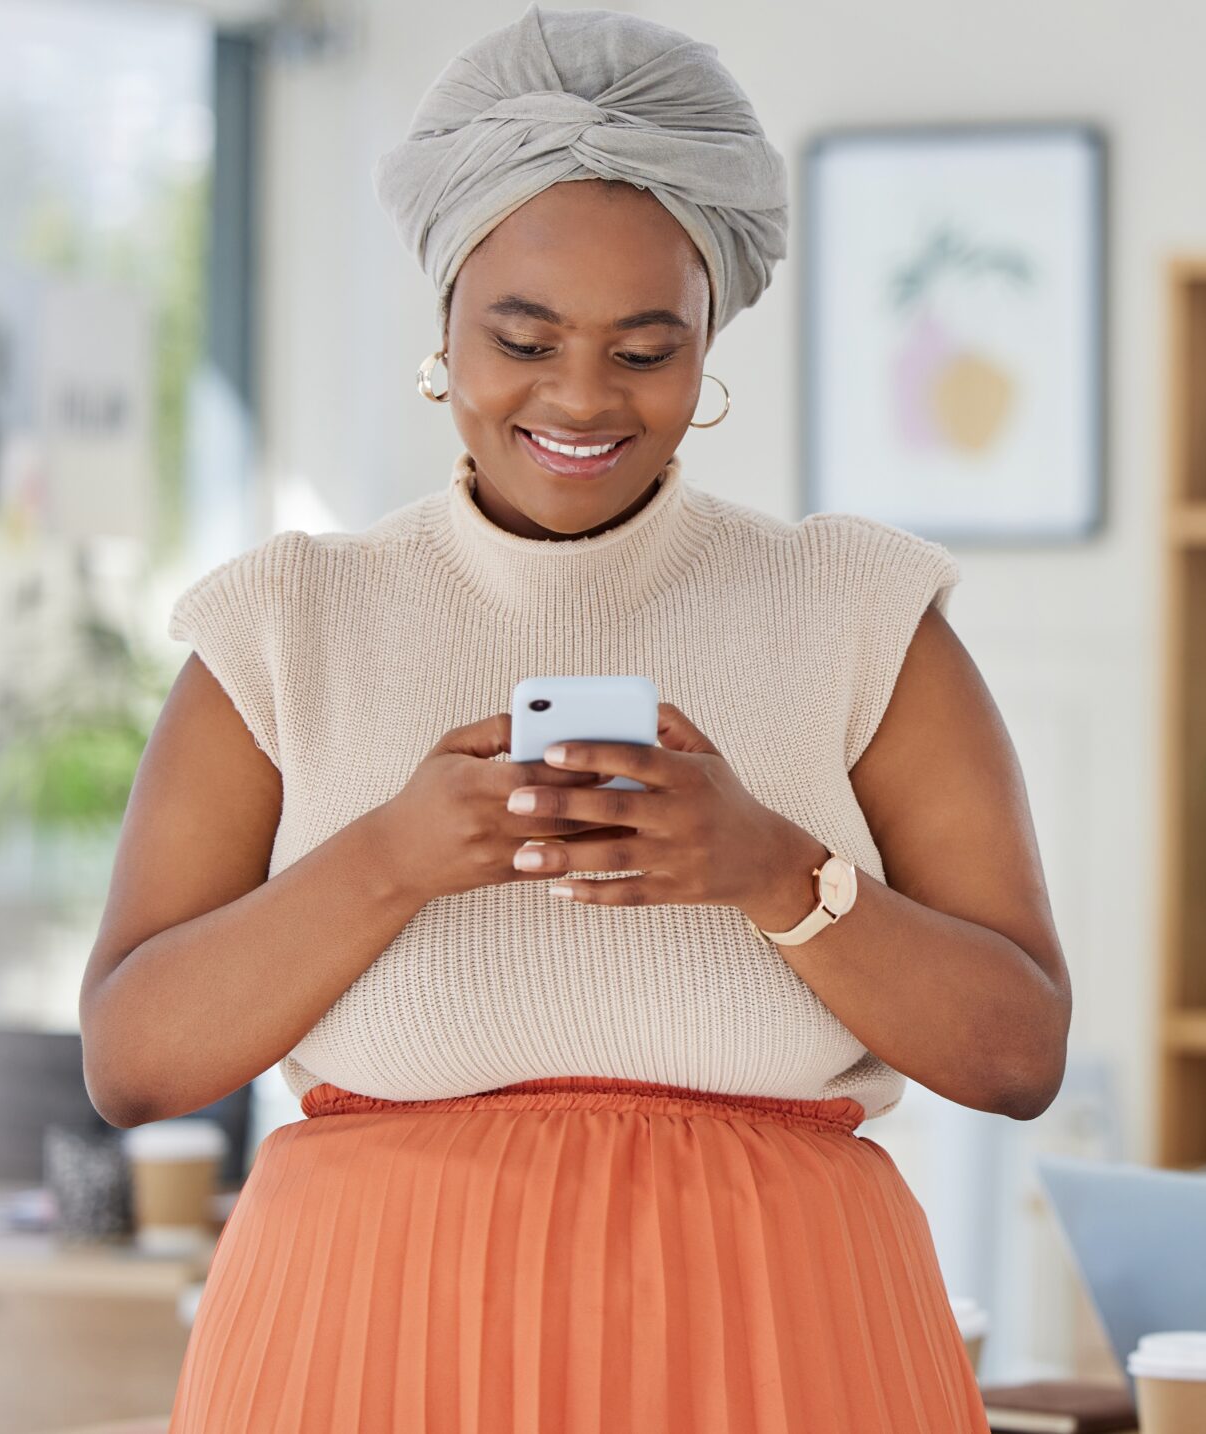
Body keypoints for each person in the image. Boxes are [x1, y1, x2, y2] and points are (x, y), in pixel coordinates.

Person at [77, 8, 1067, 1428]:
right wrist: (392, 858)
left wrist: (775, 874)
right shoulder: (291, 619)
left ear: (710, 339)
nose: (582, 398)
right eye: (523, 337)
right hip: (369, 1358)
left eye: (646, 350)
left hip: (779, 1361)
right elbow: (134, 1058)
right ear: (444, 326)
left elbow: (1019, 1049)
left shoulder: (853, 609)